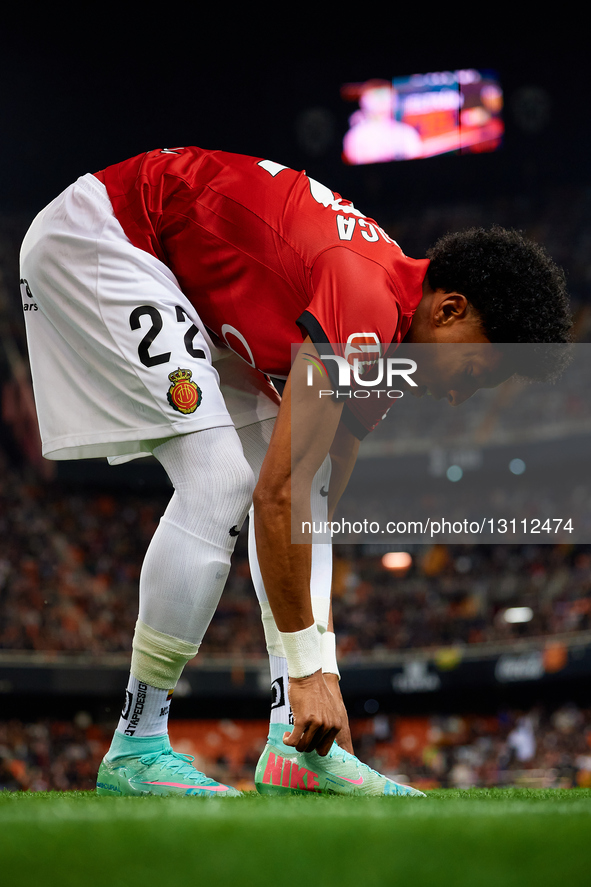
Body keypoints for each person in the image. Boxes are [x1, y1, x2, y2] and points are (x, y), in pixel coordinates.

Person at [19, 146, 572, 798]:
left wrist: (321, 668)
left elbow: (309, 502)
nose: (462, 396)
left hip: (179, 276)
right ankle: (136, 744)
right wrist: (309, 669)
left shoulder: (393, 343)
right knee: (218, 479)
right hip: (107, 235)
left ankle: (297, 749)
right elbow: (271, 495)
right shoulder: (364, 303)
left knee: (297, 487)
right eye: (476, 372)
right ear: (448, 309)